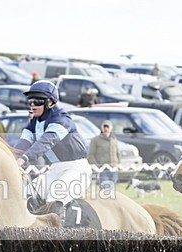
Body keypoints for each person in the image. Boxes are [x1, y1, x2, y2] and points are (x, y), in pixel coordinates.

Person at [14, 80, 91, 220]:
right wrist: (10, 157)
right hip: (55, 169)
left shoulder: (62, 118)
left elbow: (47, 141)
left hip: (77, 169)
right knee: (26, 192)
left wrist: (24, 158)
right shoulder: (34, 122)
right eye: (30, 101)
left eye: (37, 101)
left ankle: (57, 237)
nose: (32, 105)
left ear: (50, 102)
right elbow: (22, 143)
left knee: (56, 194)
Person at [87, 120, 120, 187]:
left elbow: (118, 153)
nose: (106, 129)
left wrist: (118, 163)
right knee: (105, 188)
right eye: (104, 127)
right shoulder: (95, 140)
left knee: (112, 188)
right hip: (102, 169)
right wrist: (97, 166)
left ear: (111, 128)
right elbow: (90, 155)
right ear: (102, 128)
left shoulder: (114, 139)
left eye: (108, 127)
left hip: (113, 168)